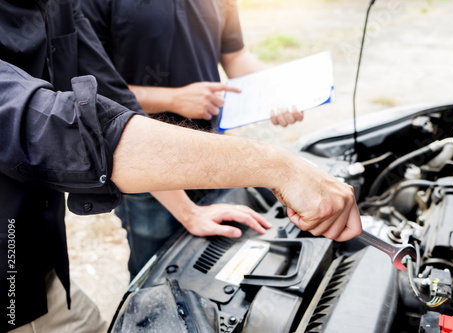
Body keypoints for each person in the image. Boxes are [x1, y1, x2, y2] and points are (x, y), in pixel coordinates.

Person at [0, 0, 361, 332]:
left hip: (39, 250)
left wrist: (188, 211)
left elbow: (112, 98)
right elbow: (53, 127)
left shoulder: (58, 5)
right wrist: (277, 166)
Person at [81, 0, 305, 279]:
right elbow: (90, 91)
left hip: (211, 151)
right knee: (157, 271)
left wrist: (274, 92)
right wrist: (173, 99)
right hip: (146, 167)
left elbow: (235, 55)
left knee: (216, 262)